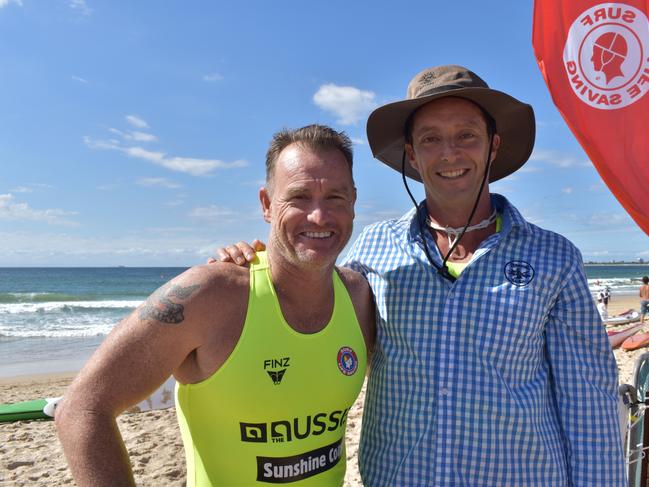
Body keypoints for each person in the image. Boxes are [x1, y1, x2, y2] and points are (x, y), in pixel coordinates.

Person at [217, 65, 626, 485]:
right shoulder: (373, 248)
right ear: (412, 154)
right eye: (431, 138)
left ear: (493, 146)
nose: (450, 153)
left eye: (467, 135)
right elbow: (310, 299)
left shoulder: (554, 257)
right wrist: (251, 263)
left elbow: (589, 402)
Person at [55, 124, 375, 486]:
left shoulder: (359, 296)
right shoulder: (210, 295)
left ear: (352, 203)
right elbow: (81, 408)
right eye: (299, 197)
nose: (318, 216)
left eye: (335, 197)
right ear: (267, 205)